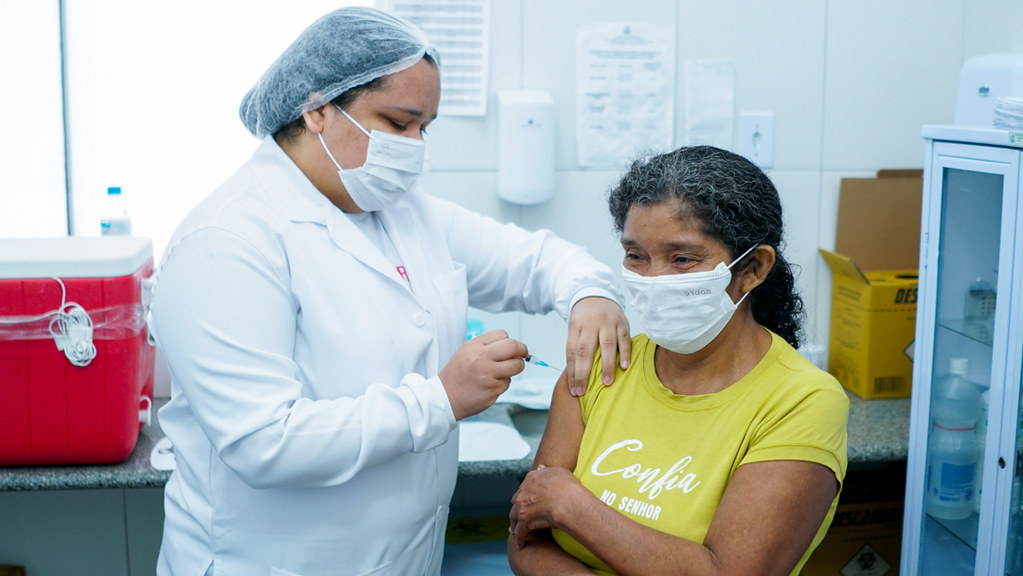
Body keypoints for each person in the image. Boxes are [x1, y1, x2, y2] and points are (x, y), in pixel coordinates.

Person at [148, 7, 630, 576]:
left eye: (425, 127)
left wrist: (592, 294)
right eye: (399, 122)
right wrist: (442, 399)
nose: (414, 145)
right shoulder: (227, 239)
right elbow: (264, 442)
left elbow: (536, 262)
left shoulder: (403, 213)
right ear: (317, 108)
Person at [507, 145, 849, 576]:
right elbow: (525, 538)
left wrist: (572, 505)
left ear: (753, 268)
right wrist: (552, 504)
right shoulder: (602, 366)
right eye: (636, 256)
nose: (654, 279)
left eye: (682, 259)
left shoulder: (802, 400)